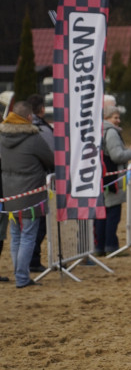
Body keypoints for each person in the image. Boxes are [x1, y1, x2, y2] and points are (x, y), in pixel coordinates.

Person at [0, 101, 54, 288]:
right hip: (31, 194)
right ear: (29, 117)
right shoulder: (33, 138)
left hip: (10, 194)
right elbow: (50, 160)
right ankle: (22, 277)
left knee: (16, 235)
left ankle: (19, 274)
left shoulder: (2, 136)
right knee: (28, 236)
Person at [96, 103, 131, 255]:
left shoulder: (99, 131)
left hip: (102, 180)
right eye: (115, 117)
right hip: (112, 180)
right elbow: (116, 156)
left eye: (119, 117)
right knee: (113, 214)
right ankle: (111, 246)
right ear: (106, 118)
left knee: (102, 214)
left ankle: (99, 247)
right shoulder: (111, 133)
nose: (118, 120)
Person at [25, 95, 53, 272]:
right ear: (41, 109)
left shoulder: (17, 129)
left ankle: (25, 262)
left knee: (21, 228)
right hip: (39, 180)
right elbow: (50, 155)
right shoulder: (41, 129)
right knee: (37, 224)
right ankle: (32, 260)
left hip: (19, 184)